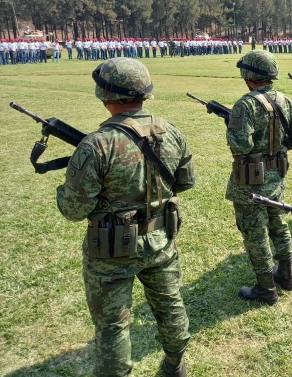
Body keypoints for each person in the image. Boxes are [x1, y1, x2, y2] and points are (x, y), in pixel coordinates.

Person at [56, 58, 195, 377]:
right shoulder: (169, 130)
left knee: (113, 324)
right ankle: (176, 365)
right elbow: (185, 182)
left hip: (111, 251)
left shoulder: (96, 145)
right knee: (170, 304)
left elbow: (73, 210)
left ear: (105, 95)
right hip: (160, 241)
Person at [226, 50, 292, 304]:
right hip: (277, 175)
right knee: (278, 224)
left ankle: (266, 288)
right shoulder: (286, 101)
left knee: (255, 232)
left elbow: (240, 146)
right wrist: (276, 150)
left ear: (248, 75)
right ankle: (286, 275)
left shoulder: (245, 104)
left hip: (251, 179)